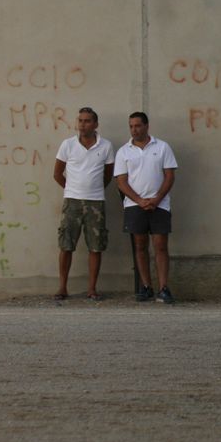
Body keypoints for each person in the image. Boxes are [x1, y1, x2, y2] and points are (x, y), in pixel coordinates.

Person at [113, 111, 178, 304]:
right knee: (140, 246)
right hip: (134, 205)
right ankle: (146, 286)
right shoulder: (123, 151)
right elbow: (121, 182)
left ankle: (163, 288)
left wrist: (156, 199)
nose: (134, 130)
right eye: (131, 126)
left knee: (160, 246)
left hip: (160, 205)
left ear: (147, 126)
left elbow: (169, 176)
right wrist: (139, 200)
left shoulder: (162, 147)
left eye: (138, 126)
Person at [53, 107, 115, 301]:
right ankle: (62, 287)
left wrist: (93, 190)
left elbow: (108, 175)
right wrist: (72, 189)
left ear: (95, 124)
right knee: (66, 245)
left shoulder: (106, 146)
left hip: (96, 203)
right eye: (80, 120)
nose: (82, 124)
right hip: (72, 202)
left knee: (95, 246)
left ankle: (92, 289)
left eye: (87, 121)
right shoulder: (68, 144)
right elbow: (57, 174)